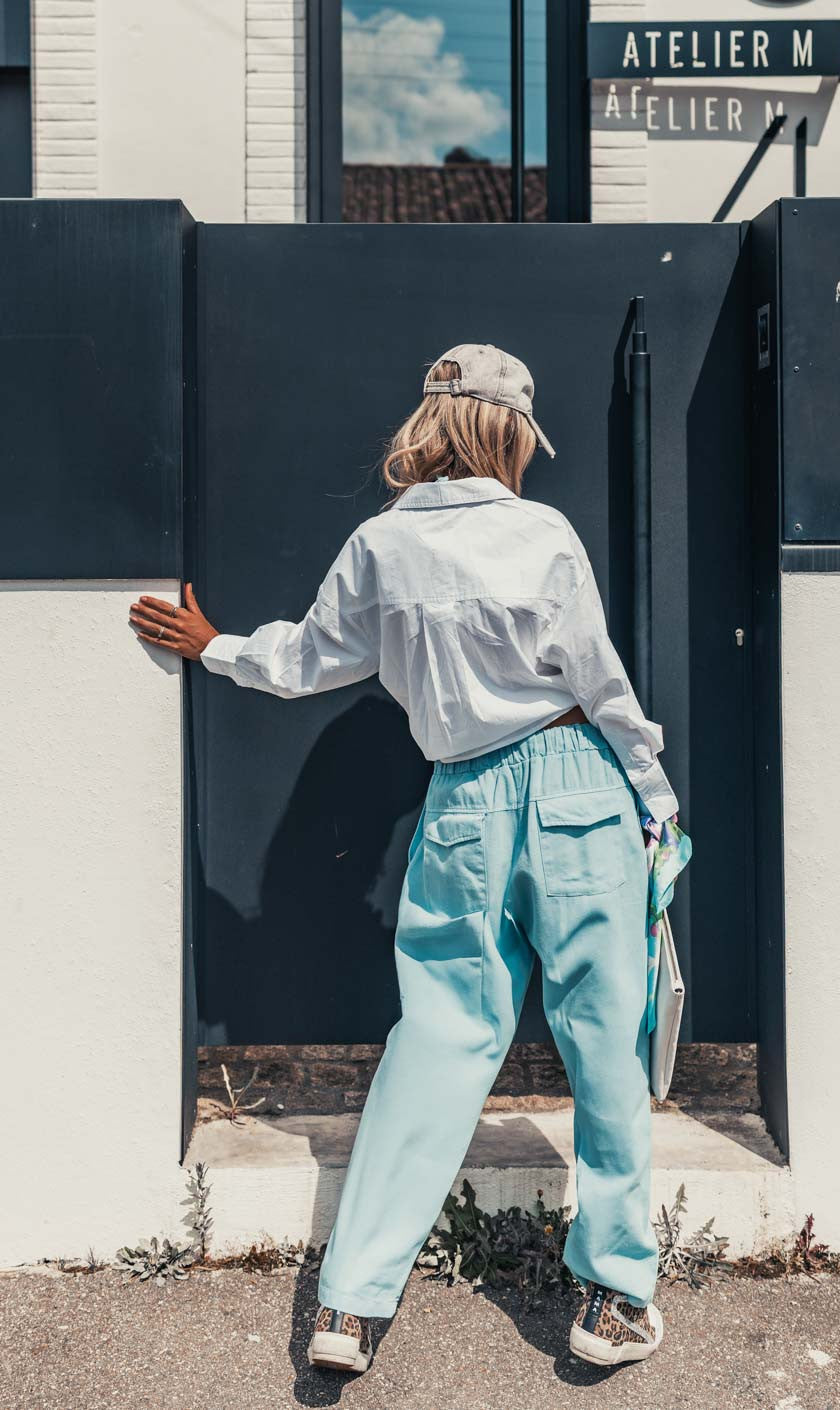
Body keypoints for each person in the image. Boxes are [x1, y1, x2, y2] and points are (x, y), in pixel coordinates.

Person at [130, 343, 682, 1372]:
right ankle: (611, 1295)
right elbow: (601, 688)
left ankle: (347, 1307)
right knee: (604, 1037)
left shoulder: (380, 543)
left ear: (427, 428)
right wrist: (655, 806)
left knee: (436, 1041)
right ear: (508, 432)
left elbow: (304, 661)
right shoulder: (542, 531)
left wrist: (213, 645)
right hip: (571, 781)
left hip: (463, 799)